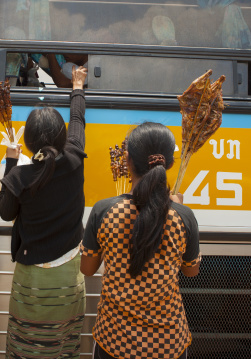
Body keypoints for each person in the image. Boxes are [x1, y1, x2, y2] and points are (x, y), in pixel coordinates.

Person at [80, 122, 201, 359]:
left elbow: (87, 268)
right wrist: (177, 206)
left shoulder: (105, 211)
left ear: (127, 159)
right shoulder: (183, 216)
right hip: (169, 344)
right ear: (169, 163)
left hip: (113, 342)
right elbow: (191, 271)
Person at [0, 66, 88, 358]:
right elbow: (78, 120)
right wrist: (76, 85)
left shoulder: (19, 178)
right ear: (62, 138)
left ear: (28, 143)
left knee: (28, 344)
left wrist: (12, 162)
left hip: (32, 282)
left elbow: (6, 214)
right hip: (70, 275)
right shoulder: (75, 159)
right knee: (66, 342)